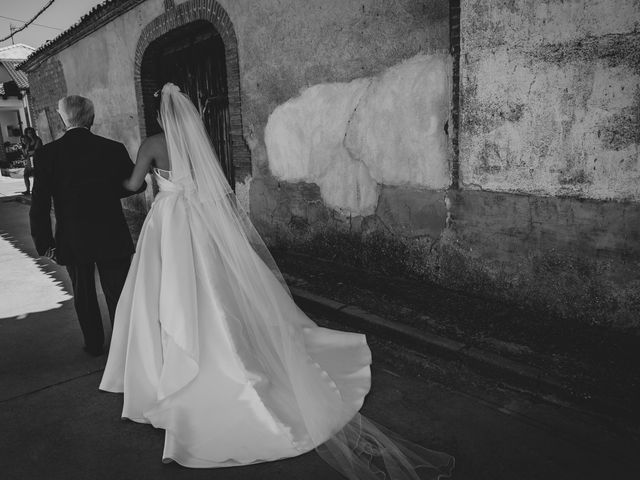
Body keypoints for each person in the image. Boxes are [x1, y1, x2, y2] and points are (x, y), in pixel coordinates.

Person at [100, 83, 454, 479]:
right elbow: (211, 187)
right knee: (212, 288)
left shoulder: (152, 143)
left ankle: (168, 368)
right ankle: (220, 350)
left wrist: (115, 181)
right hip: (198, 224)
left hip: (167, 222)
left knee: (164, 293)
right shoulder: (197, 142)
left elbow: (132, 186)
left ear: (162, 114)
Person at [29, 95, 146, 356]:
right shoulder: (112, 148)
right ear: (91, 118)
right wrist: (107, 191)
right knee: (118, 291)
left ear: (63, 119)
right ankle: (122, 347)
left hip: (73, 236)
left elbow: (39, 204)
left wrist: (45, 243)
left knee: (83, 293)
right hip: (111, 232)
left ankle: (93, 344)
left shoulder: (47, 154)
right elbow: (138, 184)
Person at [22, 127, 43, 195]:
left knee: (36, 176)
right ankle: (28, 190)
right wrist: (25, 150)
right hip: (29, 162)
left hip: (36, 160)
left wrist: (29, 152)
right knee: (25, 175)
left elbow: (36, 150)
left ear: (33, 132)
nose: (29, 134)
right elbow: (26, 152)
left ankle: (37, 190)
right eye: (28, 133)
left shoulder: (38, 140)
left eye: (31, 132)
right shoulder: (28, 142)